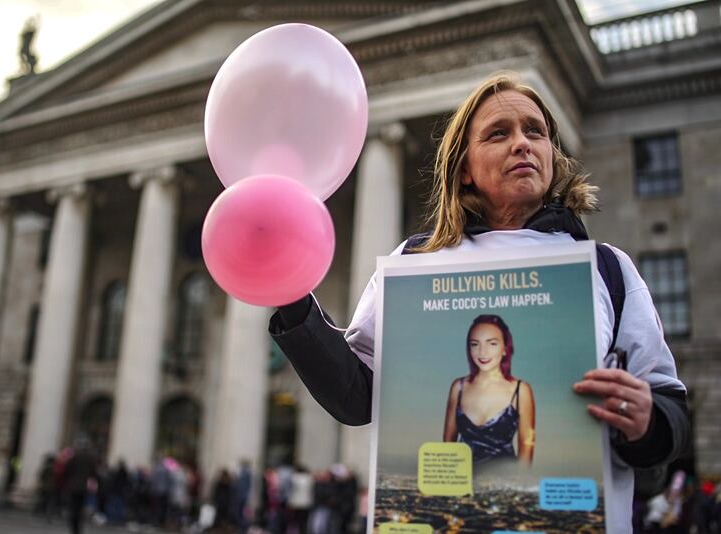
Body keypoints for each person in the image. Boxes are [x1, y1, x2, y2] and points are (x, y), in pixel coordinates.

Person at [268, 72, 690, 533]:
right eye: (499, 133)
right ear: (464, 167)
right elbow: (356, 394)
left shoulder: (607, 267)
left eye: (535, 131)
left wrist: (646, 421)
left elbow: (668, 407)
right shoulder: (413, 262)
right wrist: (291, 296)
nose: (522, 144)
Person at [443, 314, 535, 465]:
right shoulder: (458, 387)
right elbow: (447, 447)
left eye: (492, 344)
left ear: (505, 349)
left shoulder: (521, 391)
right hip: (462, 478)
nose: (482, 352)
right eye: (475, 344)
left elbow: (526, 453)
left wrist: (517, 481)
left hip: (504, 479)